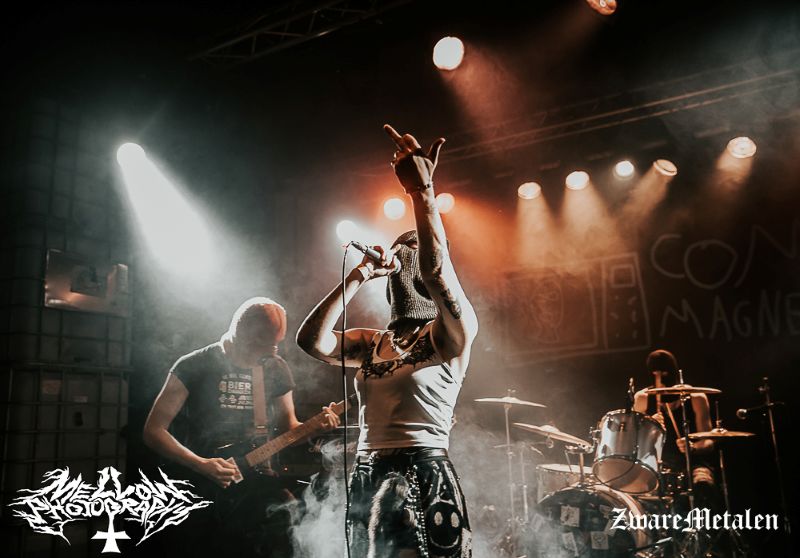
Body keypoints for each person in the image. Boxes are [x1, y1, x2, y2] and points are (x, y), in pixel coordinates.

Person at [296, 124, 479, 558]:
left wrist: (422, 193)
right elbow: (312, 342)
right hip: (369, 471)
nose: (407, 266)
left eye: (413, 256)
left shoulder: (450, 333)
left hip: (424, 470)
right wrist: (359, 276)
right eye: (403, 257)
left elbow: (436, 272)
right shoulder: (371, 342)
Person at [143, 297, 340, 558]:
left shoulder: (274, 367)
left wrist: (314, 428)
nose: (272, 350)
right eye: (265, 343)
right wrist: (201, 464)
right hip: (201, 486)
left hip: (256, 481)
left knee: (288, 530)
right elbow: (154, 431)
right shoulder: (194, 364)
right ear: (242, 333)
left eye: (275, 343)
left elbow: (288, 428)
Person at [633, 349, 717, 504]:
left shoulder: (696, 398)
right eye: (655, 373)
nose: (660, 377)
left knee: (703, 483)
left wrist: (692, 447)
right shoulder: (642, 398)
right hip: (657, 464)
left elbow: (709, 442)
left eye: (664, 373)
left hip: (693, 463)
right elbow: (635, 441)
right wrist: (649, 426)